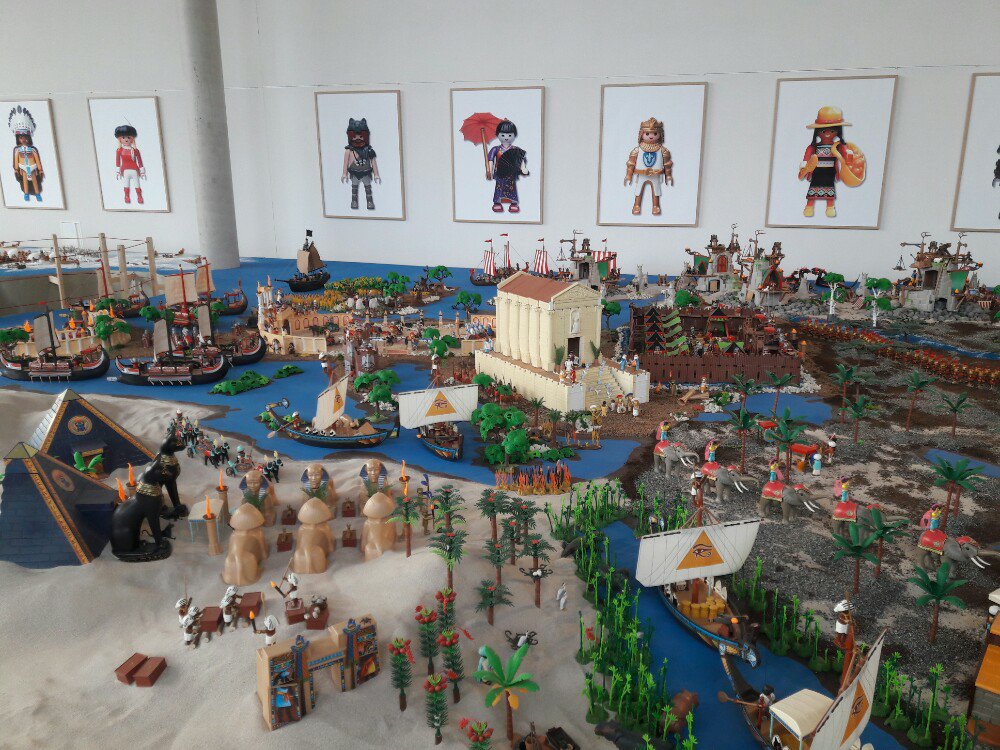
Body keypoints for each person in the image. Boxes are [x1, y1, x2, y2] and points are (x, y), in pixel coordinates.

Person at [624, 117, 673, 216]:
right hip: (641, 174)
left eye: (655, 133)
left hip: (655, 175)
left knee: (656, 190)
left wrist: (668, 176)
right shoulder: (637, 150)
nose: (651, 136)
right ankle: (636, 205)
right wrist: (629, 175)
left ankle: (656, 205)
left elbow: (667, 164)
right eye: (647, 133)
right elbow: (631, 163)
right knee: (638, 189)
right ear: (642, 134)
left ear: (660, 134)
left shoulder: (663, 151)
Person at [487, 120, 529, 213]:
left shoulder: (515, 149)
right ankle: (497, 203)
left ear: (514, 135)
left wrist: (523, 168)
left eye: (509, 135)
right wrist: (489, 170)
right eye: (503, 135)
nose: (506, 137)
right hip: (500, 173)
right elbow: (490, 160)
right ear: (498, 135)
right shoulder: (496, 149)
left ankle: (513, 203)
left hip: (511, 173)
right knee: (499, 187)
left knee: (512, 188)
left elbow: (521, 159)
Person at [341, 118, 380, 210]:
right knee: (354, 188)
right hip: (354, 173)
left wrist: (376, 175)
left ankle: (370, 202)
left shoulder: (369, 150)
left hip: (366, 173)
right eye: (354, 137)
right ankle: (354, 201)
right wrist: (344, 174)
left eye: (361, 136)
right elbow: (345, 163)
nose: (357, 139)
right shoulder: (348, 151)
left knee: (368, 188)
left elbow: (373, 162)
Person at [114, 124, 146, 204]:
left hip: (134, 170)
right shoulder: (119, 151)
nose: (126, 139)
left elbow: (140, 161)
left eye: (128, 137)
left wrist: (142, 172)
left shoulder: (135, 151)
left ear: (132, 139)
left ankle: (139, 196)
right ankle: (126, 196)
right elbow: (118, 161)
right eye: (123, 137)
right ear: (120, 139)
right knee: (126, 184)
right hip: (125, 170)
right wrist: (118, 171)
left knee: (137, 184)